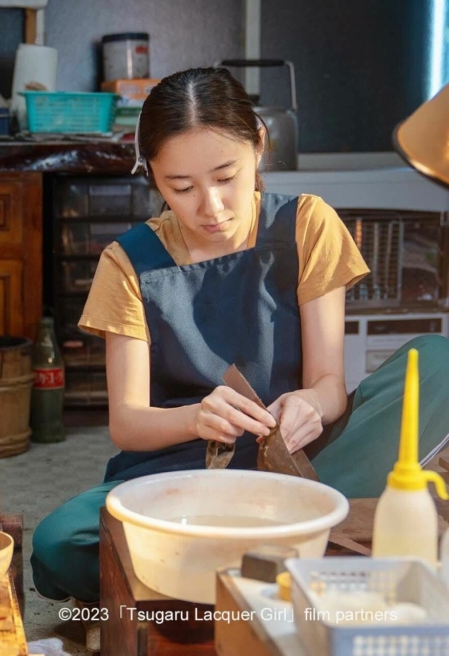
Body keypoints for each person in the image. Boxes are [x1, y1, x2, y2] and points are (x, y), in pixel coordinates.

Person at [31, 67, 449, 613]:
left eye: (226, 176)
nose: (212, 207)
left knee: (438, 361)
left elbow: (330, 387)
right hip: (186, 477)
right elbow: (128, 423)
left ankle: (221, 570)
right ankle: (285, 561)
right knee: (61, 542)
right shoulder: (128, 264)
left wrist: (309, 404)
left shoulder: (307, 225)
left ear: (258, 146)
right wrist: (195, 418)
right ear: (152, 177)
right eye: (181, 188)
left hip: (307, 465)